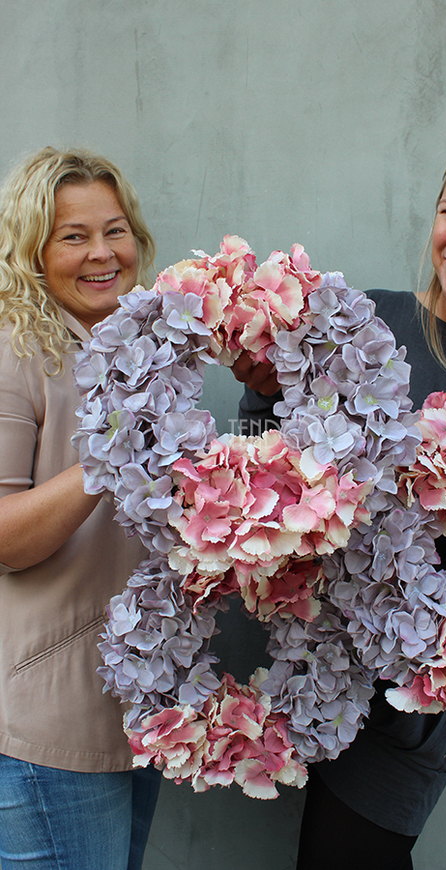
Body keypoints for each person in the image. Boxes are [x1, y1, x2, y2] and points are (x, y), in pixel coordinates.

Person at [236, 121, 446, 869]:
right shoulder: (369, 322)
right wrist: (261, 395)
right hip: (313, 663)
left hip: (412, 704)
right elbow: (269, 466)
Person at [0, 147, 161, 870]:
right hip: (47, 725)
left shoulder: (141, 350)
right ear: (33, 250)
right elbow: (5, 539)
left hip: (138, 717)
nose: (103, 253)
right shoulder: (15, 353)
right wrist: (114, 444)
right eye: (74, 236)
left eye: (116, 230)